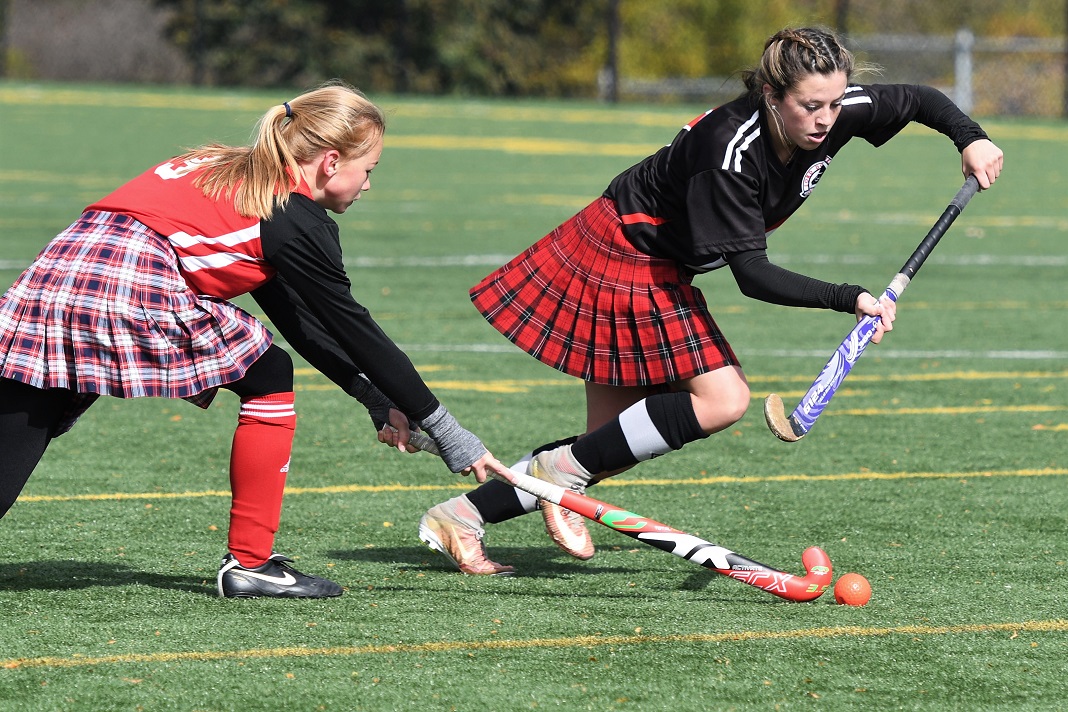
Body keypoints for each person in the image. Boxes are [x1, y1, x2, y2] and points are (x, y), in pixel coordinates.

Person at [416, 26, 1004, 575]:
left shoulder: (836, 107)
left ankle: (461, 516)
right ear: (772, 95)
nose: (827, 119)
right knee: (722, 400)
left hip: (660, 261)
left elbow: (922, 98)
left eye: (835, 102)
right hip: (624, 251)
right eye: (810, 106)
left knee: (604, 448)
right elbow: (752, 274)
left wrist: (971, 139)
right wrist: (850, 298)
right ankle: (556, 475)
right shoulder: (730, 153)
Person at [0, 81, 509, 598]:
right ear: (331, 161)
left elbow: (296, 318)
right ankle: (249, 562)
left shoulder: (238, 171)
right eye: (369, 170)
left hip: (57, 274)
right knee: (267, 373)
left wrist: (376, 400)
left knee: (23, 426)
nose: (369, 185)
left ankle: (250, 561)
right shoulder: (292, 215)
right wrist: (447, 430)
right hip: (124, 281)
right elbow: (354, 329)